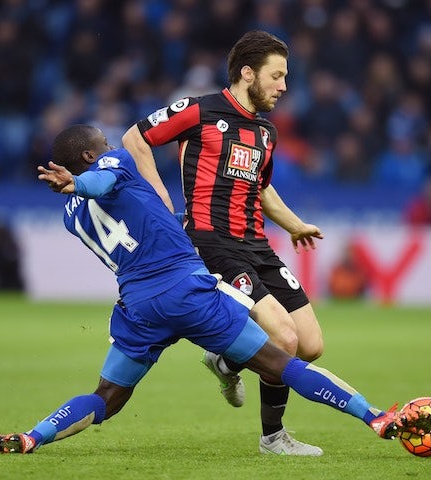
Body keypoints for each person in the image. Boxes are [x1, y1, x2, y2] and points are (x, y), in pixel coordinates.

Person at [0, 125, 415, 455]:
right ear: (90, 153)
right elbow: (103, 181)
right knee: (282, 358)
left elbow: (100, 197)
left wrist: (74, 189)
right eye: (103, 142)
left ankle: (32, 436)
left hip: (138, 306)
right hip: (186, 288)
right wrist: (83, 181)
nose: (111, 146)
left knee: (106, 397)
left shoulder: (71, 215)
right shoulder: (111, 165)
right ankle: (374, 417)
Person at [122, 30, 326, 455]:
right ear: (247, 73)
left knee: (310, 346)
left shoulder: (266, 131)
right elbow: (135, 138)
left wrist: (294, 224)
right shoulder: (199, 110)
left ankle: (225, 359)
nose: (284, 87)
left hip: (257, 243)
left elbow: (262, 189)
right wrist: (160, 195)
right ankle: (274, 438)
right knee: (284, 340)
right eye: (277, 76)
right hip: (212, 242)